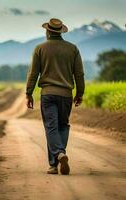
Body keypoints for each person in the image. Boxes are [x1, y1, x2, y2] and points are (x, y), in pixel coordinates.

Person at [25, 18, 85, 175]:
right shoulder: (72, 49)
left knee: (51, 127)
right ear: (60, 32)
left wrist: (28, 93)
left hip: (48, 95)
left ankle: (57, 157)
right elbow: (79, 74)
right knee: (63, 126)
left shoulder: (40, 48)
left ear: (47, 32)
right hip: (66, 95)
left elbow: (33, 74)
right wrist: (80, 93)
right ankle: (55, 162)